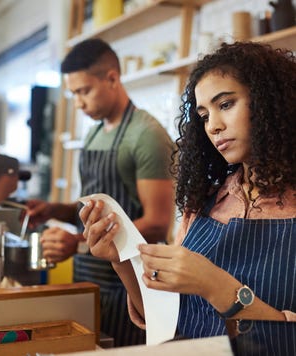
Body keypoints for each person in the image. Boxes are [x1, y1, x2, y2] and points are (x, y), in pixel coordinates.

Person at [79, 41, 296, 342]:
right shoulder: (206, 200)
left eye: (226, 104)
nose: (214, 126)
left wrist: (213, 283)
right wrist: (122, 260)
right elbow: (167, 317)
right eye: (204, 115)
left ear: (270, 101)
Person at [26, 38, 174, 346]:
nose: (78, 103)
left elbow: (158, 223)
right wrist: (55, 210)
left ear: (112, 78)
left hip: (130, 287)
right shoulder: (95, 132)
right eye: (74, 94)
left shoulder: (146, 136)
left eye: (84, 91)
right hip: (89, 278)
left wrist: (78, 244)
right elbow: (95, 205)